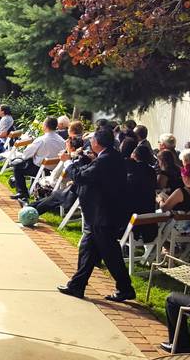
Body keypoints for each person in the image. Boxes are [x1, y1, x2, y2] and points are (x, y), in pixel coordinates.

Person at [57, 128, 135, 302]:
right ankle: (77, 285)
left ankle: (125, 288)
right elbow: (92, 170)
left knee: (110, 254)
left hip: (102, 214)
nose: (90, 143)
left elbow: (81, 176)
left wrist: (68, 162)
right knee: (87, 249)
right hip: (101, 214)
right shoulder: (112, 156)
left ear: (97, 143)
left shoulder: (104, 160)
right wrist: (84, 160)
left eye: (92, 140)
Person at [9, 116, 65, 201]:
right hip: (55, 170)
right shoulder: (62, 140)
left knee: (17, 166)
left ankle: (22, 192)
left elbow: (26, 154)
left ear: (45, 126)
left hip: (41, 170)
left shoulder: (41, 140)